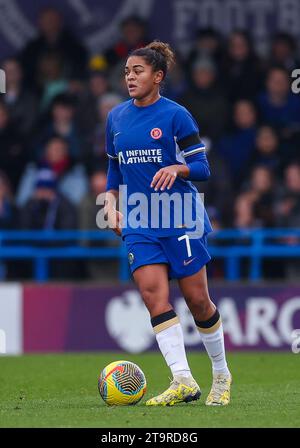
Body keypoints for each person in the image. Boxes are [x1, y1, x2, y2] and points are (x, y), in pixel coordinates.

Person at [104, 41, 232, 406]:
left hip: (179, 214)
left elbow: (204, 168)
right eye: (127, 71)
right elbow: (114, 167)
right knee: (152, 296)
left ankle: (221, 375)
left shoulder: (177, 116)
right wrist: (110, 203)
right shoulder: (116, 118)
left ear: (158, 77)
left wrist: (179, 167)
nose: (130, 76)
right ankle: (183, 380)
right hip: (140, 218)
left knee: (198, 301)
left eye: (138, 70)